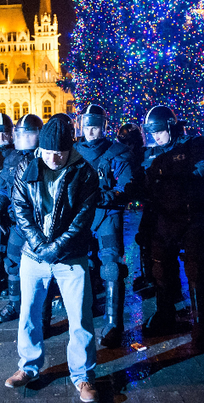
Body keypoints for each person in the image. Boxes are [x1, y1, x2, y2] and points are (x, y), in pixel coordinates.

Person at [5, 119, 99, 403]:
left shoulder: (84, 172)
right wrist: (38, 245)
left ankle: (83, 376)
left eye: (58, 152)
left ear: (69, 148)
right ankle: (28, 366)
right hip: (34, 253)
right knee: (29, 314)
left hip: (70, 255)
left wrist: (55, 248)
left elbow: (82, 219)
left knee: (80, 317)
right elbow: (20, 207)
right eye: (47, 152)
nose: (52, 158)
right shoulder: (27, 165)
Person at [140, 106, 204, 350]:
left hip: (192, 216)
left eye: (160, 132)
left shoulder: (193, 144)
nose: (157, 137)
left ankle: (201, 322)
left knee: (196, 270)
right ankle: (165, 313)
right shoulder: (151, 152)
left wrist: (166, 170)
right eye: (153, 133)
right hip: (163, 218)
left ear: (171, 127)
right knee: (161, 268)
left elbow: (200, 169)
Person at [73, 104, 135, 348]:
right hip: (80, 217)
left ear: (103, 128)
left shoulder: (116, 152)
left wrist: (102, 197)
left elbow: (127, 187)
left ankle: (113, 324)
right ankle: (85, 311)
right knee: (81, 265)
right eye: (87, 127)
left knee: (111, 267)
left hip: (107, 214)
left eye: (95, 127)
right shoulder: (74, 152)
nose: (90, 131)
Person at [0, 114, 43, 326]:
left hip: (38, 222)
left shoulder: (45, 156)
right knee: (12, 263)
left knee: (38, 266)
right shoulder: (13, 159)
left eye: (28, 134)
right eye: (21, 134)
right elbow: (3, 188)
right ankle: (15, 304)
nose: (23, 139)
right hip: (18, 222)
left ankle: (39, 312)